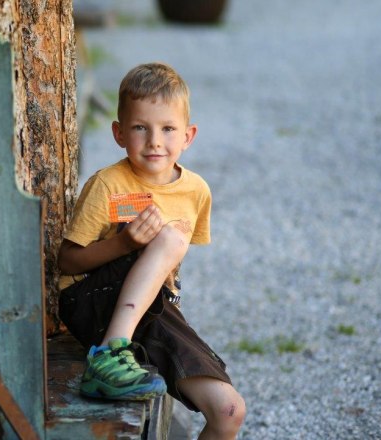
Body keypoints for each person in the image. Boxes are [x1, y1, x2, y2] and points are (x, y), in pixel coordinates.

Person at [58, 63, 245, 439]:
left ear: (189, 136)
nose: (155, 141)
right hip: (91, 302)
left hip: (151, 306)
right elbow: (66, 261)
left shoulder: (196, 191)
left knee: (229, 411)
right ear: (119, 133)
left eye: (168, 129)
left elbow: (168, 271)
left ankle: (120, 349)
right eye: (141, 127)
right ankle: (111, 352)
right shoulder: (108, 185)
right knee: (172, 236)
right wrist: (123, 244)